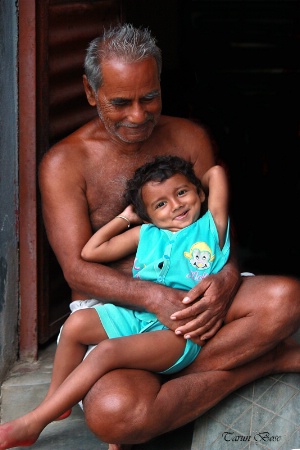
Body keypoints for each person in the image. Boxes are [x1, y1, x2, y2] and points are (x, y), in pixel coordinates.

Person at [27, 23, 299, 449]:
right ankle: (258, 364)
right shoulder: (64, 163)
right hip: (124, 311)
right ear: (88, 91)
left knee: (287, 299)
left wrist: (226, 281)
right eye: (120, 102)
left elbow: (217, 232)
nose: (138, 116)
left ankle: (168, 379)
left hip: (193, 288)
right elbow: (78, 271)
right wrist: (153, 297)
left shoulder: (189, 136)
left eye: (149, 97)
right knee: (116, 414)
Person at [0, 156, 231, 449]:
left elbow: (216, 172)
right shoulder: (146, 233)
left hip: (178, 331)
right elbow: (91, 251)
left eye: (181, 192)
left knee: (107, 352)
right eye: (160, 204)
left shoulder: (212, 228)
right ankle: (56, 402)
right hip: (139, 316)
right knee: (76, 324)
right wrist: (127, 217)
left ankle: (33, 423)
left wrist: (196, 185)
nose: (175, 205)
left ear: (199, 193)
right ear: (147, 215)